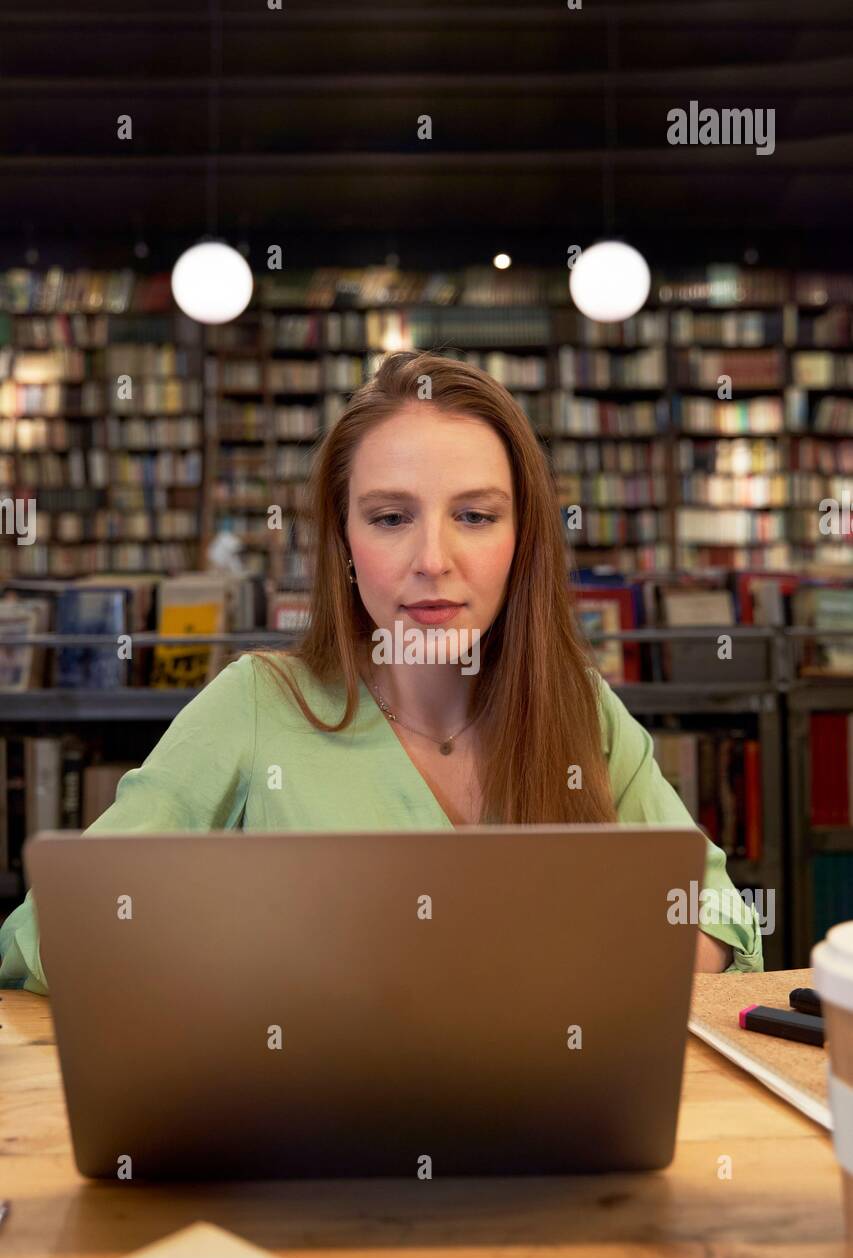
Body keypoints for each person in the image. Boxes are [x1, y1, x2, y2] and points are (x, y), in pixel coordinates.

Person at [0, 350, 764, 994]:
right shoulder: (258, 703)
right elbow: (41, 940)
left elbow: (722, 928)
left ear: (522, 539)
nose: (433, 560)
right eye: (391, 517)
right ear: (342, 542)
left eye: (475, 515)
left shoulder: (579, 709)